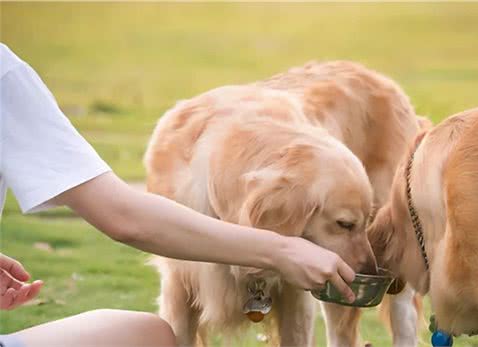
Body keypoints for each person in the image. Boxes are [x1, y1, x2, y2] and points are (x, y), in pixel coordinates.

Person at [0, 43, 356, 347]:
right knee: (150, 338)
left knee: (147, 332)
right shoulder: (5, 74)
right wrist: (282, 249)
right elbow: (124, 217)